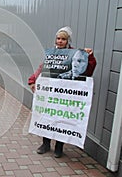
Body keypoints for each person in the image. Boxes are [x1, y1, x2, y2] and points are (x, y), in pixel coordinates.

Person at [28, 26, 96, 158]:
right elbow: (42, 68)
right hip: (50, 93)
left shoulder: (75, 54)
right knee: (47, 116)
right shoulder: (51, 54)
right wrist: (32, 80)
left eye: (63, 39)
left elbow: (86, 69)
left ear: (68, 40)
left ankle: (59, 147)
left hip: (65, 94)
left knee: (62, 119)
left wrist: (90, 57)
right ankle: (45, 144)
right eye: (58, 38)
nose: (60, 41)